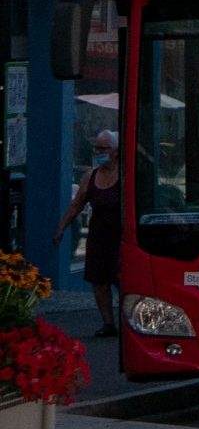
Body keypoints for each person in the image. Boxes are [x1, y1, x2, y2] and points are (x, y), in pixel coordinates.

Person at [52, 130, 123, 336]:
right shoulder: (90, 176)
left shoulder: (125, 174)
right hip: (98, 235)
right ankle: (108, 323)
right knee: (99, 280)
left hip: (120, 235)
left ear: (115, 152)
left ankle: (130, 321)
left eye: (104, 148)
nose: (99, 152)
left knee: (121, 278)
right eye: (97, 148)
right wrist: (61, 228)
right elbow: (77, 205)